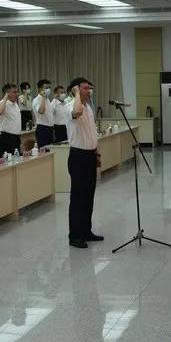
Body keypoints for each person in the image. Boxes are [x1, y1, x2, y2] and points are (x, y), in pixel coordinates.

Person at [66, 77, 103, 248]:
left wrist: (96, 152)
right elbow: (76, 113)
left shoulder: (87, 107)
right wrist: (75, 95)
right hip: (78, 156)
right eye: (85, 88)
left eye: (90, 88)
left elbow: (91, 132)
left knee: (89, 197)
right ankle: (75, 236)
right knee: (78, 198)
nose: (89, 91)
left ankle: (86, 231)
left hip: (90, 155)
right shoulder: (71, 105)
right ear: (75, 90)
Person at [0, 83, 22, 157]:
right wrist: (5, 98)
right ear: (6, 93)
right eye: (14, 92)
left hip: (16, 138)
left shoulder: (15, 104)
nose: (17, 94)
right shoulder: (1, 103)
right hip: (7, 138)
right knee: (7, 161)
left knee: (17, 160)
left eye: (17, 92)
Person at [32, 79, 54, 148]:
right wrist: (43, 97)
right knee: (43, 151)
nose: (49, 89)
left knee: (51, 150)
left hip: (50, 128)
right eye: (46, 88)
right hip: (43, 128)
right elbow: (41, 111)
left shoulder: (47, 99)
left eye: (49, 87)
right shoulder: (36, 100)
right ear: (40, 89)